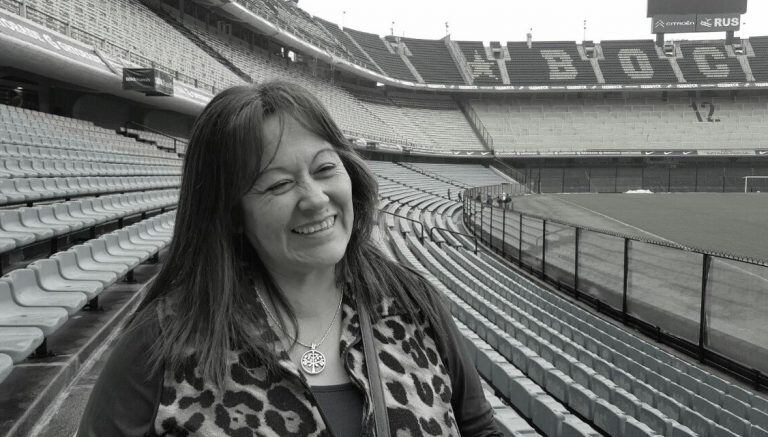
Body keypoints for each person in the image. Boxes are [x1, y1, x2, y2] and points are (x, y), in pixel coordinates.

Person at [77, 81, 500, 437]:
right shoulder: (162, 342)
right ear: (232, 215)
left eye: (324, 170)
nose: (315, 200)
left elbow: (480, 430)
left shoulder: (413, 303)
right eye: (278, 185)